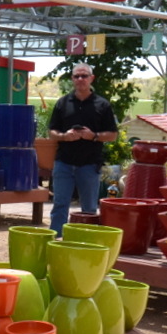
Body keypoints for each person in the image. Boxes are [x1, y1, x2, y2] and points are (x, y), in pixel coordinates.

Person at [48, 63, 119, 236]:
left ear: (91, 78)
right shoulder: (62, 103)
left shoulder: (102, 105)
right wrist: (65, 136)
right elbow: (51, 132)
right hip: (64, 162)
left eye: (84, 76)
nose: (80, 79)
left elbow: (112, 135)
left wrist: (93, 135)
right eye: (76, 76)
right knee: (60, 205)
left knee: (88, 207)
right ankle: (56, 239)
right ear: (72, 79)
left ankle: (86, 239)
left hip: (89, 164)